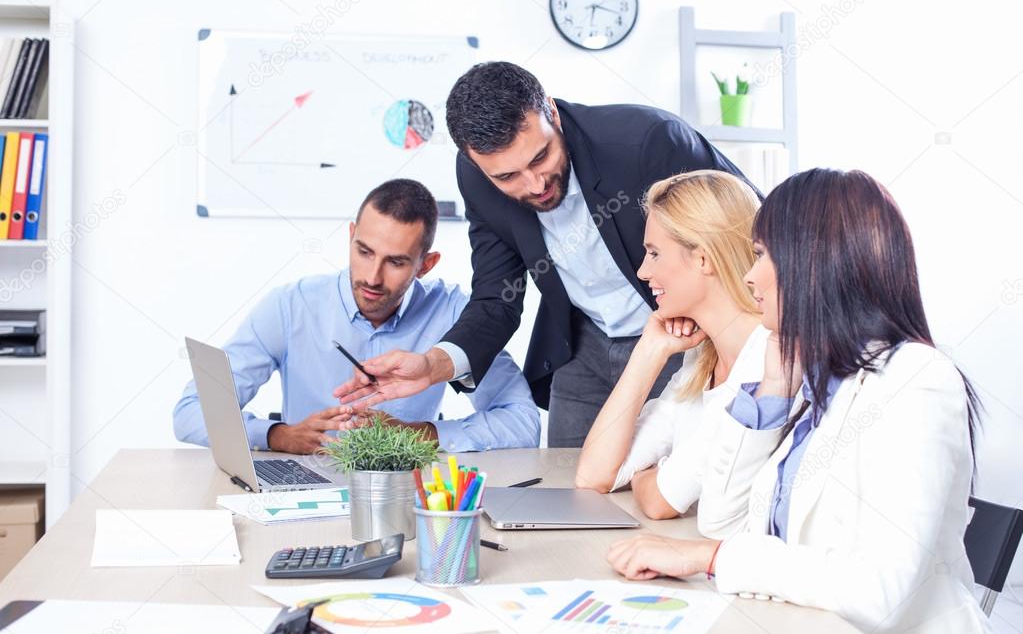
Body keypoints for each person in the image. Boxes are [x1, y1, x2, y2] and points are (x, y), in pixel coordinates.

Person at [605, 169, 989, 633]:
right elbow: (719, 520)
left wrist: (712, 559)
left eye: (762, 254)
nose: (748, 276)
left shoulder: (917, 381)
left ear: (813, 260)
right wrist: (771, 395)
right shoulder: (812, 376)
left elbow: (879, 592)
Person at [333, 61, 757, 447]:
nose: (534, 184)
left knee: (672, 489)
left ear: (552, 113)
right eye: (508, 176)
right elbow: (495, 298)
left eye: (541, 157)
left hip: (681, 339)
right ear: (474, 161)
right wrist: (432, 366)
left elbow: (755, 229)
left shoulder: (646, 141)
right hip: (583, 347)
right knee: (567, 488)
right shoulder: (477, 178)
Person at [173, 179, 540, 454]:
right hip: (307, 475)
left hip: (406, 483)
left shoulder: (456, 315)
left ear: (425, 265)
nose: (372, 277)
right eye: (364, 252)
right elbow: (190, 413)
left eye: (395, 262)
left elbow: (523, 422)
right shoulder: (290, 306)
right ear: (351, 237)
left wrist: (416, 433)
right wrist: (278, 436)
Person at [574, 170, 769, 521]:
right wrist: (648, 352)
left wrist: (653, 476)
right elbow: (594, 476)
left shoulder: (766, 358)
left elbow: (661, 502)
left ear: (703, 258)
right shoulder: (702, 357)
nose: (642, 272)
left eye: (654, 253)